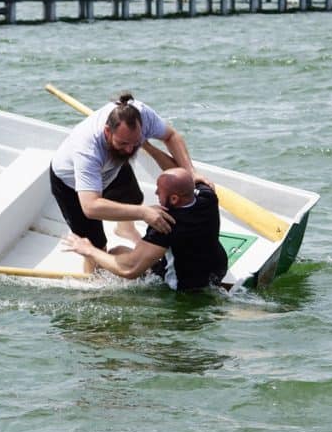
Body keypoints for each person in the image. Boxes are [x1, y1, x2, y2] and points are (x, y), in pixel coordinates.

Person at [49, 91, 206, 267]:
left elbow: (171, 136)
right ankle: (90, 281)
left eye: (136, 142)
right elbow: (90, 206)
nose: (131, 150)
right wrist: (143, 213)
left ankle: (124, 229)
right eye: (123, 143)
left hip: (111, 168)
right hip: (70, 183)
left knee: (133, 198)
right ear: (107, 132)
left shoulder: (142, 116)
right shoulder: (88, 148)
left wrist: (190, 171)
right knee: (96, 247)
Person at [63, 166, 228, 290]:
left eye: (160, 191)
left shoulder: (165, 223)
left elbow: (129, 269)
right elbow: (192, 178)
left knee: (115, 254)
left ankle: (92, 282)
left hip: (185, 285)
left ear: (175, 198)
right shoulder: (208, 196)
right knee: (125, 250)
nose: (156, 192)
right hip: (217, 269)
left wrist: (88, 250)